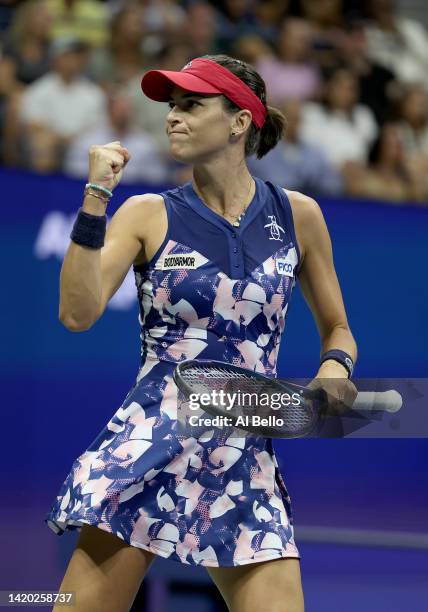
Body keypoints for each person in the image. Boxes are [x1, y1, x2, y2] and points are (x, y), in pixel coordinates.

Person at [45, 54, 357, 612]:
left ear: (240, 121)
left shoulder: (298, 215)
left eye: (192, 104)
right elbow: (77, 313)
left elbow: (338, 327)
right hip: (151, 445)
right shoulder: (145, 214)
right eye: (171, 107)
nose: (173, 117)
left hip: (244, 461)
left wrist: (335, 366)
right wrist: (96, 197)